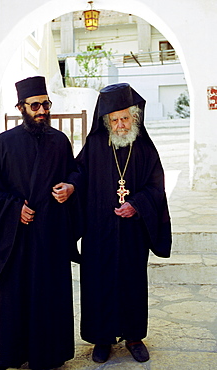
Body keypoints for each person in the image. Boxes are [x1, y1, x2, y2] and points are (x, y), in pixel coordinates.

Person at [67, 83, 172, 363]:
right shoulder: (95, 146)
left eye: (124, 117)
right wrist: (70, 186)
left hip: (132, 233)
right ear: (106, 121)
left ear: (134, 117)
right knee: (98, 281)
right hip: (98, 229)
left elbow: (156, 186)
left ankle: (134, 336)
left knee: (131, 282)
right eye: (114, 119)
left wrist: (136, 204)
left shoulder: (145, 149)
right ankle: (102, 339)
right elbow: (79, 173)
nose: (120, 124)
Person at [0, 76, 79, 370]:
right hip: (17, 240)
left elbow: (75, 173)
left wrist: (71, 187)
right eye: (35, 105)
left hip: (50, 235)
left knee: (48, 294)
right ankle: (10, 353)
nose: (42, 110)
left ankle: (49, 354)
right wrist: (14, 210)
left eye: (46, 104)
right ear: (21, 107)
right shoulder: (2, 144)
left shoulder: (60, 142)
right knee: (15, 295)